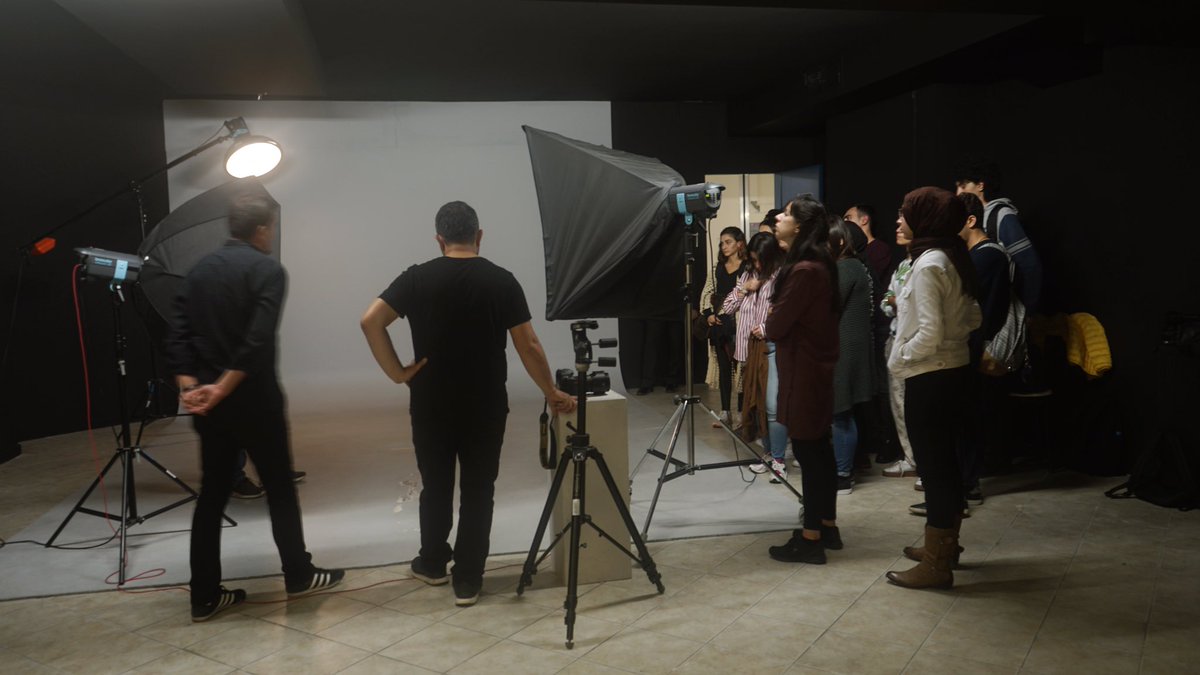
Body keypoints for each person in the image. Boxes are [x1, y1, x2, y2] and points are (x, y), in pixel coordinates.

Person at [360, 201, 576, 607]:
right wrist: (551, 391)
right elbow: (528, 344)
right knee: (479, 489)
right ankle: (469, 579)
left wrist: (397, 373)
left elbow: (370, 320)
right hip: (486, 404)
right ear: (479, 236)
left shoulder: (416, 278)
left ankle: (432, 563)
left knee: (436, 484)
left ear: (439, 240)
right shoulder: (501, 281)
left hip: (430, 403)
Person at [167, 194, 344, 622]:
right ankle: (298, 574)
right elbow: (256, 341)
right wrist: (222, 389)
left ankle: (204, 597)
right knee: (280, 489)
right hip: (256, 403)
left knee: (211, 496)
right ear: (262, 229)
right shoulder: (269, 270)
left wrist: (194, 389)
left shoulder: (197, 273)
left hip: (210, 407)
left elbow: (177, 338)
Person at [885, 187, 981, 590]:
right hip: (952, 371)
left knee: (936, 470)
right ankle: (944, 547)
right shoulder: (950, 256)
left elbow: (929, 331)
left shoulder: (928, 265)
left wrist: (901, 356)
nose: (899, 221)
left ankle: (937, 564)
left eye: (905, 214)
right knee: (946, 467)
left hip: (930, 376)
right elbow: (974, 316)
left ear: (926, 220)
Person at [764, 195, 841, 564]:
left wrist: (771, 313)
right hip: (814, 368)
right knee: (819, 450)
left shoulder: (806, 270)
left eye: (786, 213)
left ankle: (811, 538)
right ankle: (826, 524)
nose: (779, 217)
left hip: (805, 370)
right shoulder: (816, 265)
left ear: (800, 226)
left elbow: (776, 326)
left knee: (810, 454)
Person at [720, 232, 786, 479]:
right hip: (749, 350)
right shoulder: (748, 275)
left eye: (760, 260)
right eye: (753, 260)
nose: (756, 265)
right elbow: (726, 308)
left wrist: (767, 327)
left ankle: (779, 460)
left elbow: (785, 312)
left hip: (771, 347)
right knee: (757, 406)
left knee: (772, 405)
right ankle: (768, 455)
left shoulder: (780, 277)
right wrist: (744, 289)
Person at [952, 158, 1042, 312]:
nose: (958, 192)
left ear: (981, 185)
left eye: (963, 186)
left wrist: (1028, 312)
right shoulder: (967, 218)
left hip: (1002, 310)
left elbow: (1030, 266)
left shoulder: (1002, 215)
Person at [828, 218, 875, 495]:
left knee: (841, 412)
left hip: (846, 349)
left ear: (841, 242)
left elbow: (829, 307)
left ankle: (843, 474)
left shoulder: (846, 267)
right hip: (849, 347)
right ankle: (845, 468)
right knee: (842, 412)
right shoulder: (852, 266)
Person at [701, 227, 747, 426]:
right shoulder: (717, 268)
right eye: (721, 243)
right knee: (724, 369)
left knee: (742, 370)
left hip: (739, 326)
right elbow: (706, 292)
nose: (724, 246)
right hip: (720, 326)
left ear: (739, 243)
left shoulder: (747, 268)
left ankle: (742, 414)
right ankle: (725, 411)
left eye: (728, 242)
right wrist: (709, 315)